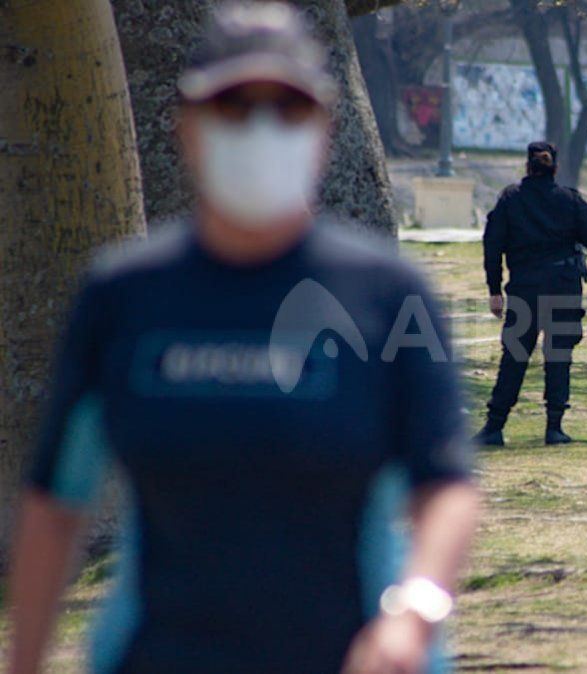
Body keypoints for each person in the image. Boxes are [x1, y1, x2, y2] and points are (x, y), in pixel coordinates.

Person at [6, 5, 480, 674]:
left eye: (287, 109)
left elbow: (446, 485)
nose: (261, 130)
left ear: (325, 128)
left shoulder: (386, 293)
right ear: (186, 128)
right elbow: (55, 503)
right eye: (233, 108)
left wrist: (416, 612)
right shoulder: (123, 296)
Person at [474, 141, 587, 447]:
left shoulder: (510, 199)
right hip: (563, 286)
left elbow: (492, 244)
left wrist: (494, 289)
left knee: (515, 357)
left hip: (524, 288)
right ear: (555, 168)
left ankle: (494, 426)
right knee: (558, 356)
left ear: (527, 167)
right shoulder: (569, 199)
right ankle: (554, 427)